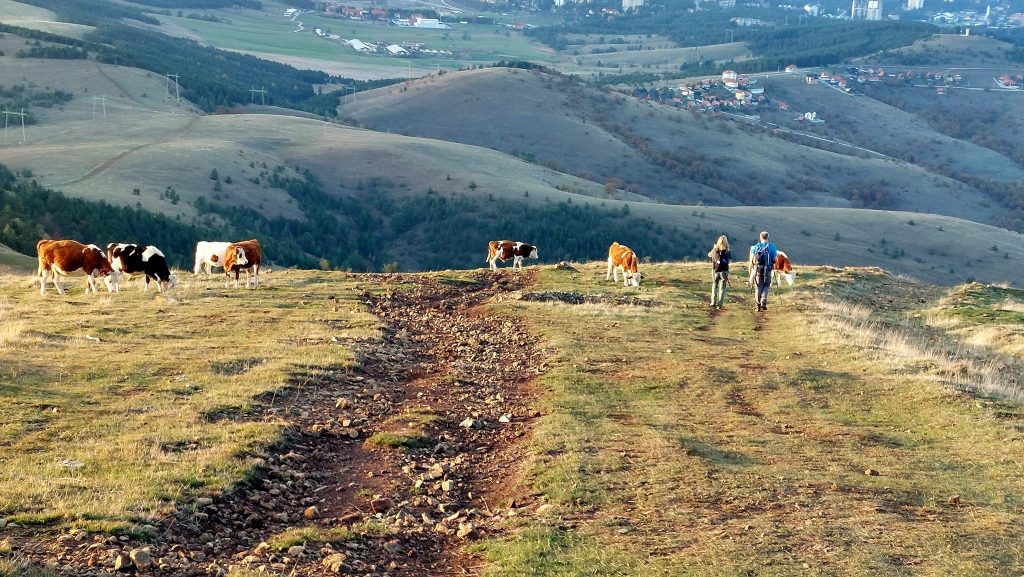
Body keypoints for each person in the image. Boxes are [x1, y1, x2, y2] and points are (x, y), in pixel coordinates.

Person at [749, 231, 778, 312]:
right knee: (766, 285)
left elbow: (752, 260)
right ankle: (763, 302)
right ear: (767, 237)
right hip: (768, 269)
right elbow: (775, 259)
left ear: (760, 237)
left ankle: (757, 305)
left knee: (758, 286)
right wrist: (772, 263)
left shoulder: (755, 247)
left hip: (758, 270)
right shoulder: (772, 247)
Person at [707, 235, 731, 309]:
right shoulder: (728, 251)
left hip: (715, 270)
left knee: (714, 285)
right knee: (722, 288)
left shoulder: (715, 249)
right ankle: (719, 305)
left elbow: (709, 255)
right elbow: (729, 261)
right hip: (724, 272)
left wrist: (713, 248)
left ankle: (713, 302)